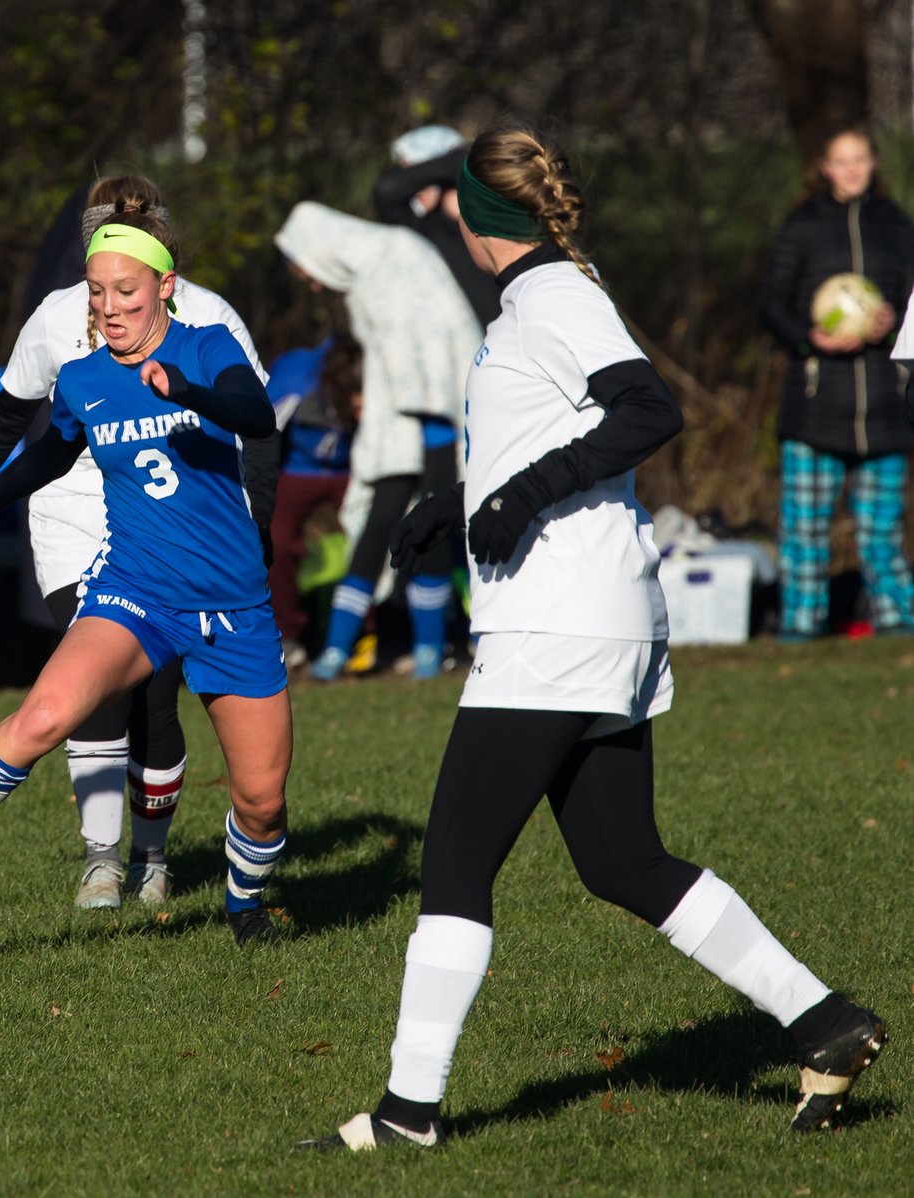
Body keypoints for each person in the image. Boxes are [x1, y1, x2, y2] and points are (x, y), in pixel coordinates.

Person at [304, 125, 886, 1152]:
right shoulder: (540, 297)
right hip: (594, 620)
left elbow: (643, 410)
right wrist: (458, 497)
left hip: (555, 627)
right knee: (621, 858)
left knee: (452, 869)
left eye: (450, 202)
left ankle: (406, 1114)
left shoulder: (555, 295)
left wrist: (521, 492)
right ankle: (824, 1022)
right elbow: (553, 427)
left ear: (482, 219)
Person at [0, 205, 293, 946]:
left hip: (232, 606)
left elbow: (254, 413)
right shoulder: (84, 377)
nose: (108, 307)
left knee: (260, 802)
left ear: (165, 286)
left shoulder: (208, 344)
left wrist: (184, 393)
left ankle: (243, 904)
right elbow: (44, 457)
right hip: (137, 590)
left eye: (125, 291)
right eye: (96, 291)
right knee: (42, 718)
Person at [275, 201, 481, 681]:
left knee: (435, 531)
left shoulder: (397, 256)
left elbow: (435, 344)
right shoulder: (368, 276)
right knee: (376, 527)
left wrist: (434, 428)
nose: (312, 284)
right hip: (394, 431)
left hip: (438, 422)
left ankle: (431, 650)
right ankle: (335, 654)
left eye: (306, 272)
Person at [759, 125, 914, 640]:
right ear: (824, 167)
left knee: (882, 531)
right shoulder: (802, 226)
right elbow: (772, 305)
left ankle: (896, 622)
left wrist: (889, 322)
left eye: (860, 159)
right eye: (840, 161)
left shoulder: (896, 226)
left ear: (873, 163)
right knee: (804, 531)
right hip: (815, 407)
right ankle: (802, 625)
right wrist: (810, 340)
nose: (851, 169)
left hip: (885, 408)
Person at [262, 337, 356, 657]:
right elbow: (264, 433)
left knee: (375, 532)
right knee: (274, 536)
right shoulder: (298, 377)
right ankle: (287, 634)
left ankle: (373, 629)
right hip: (297, 467)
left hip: (354, 465)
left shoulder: (377, 363)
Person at [372, 125, 502, 325]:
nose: (414, 188)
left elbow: (460, 164)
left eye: (418, 173)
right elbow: (387, 190)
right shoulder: (420, 227)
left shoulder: (492, 209)